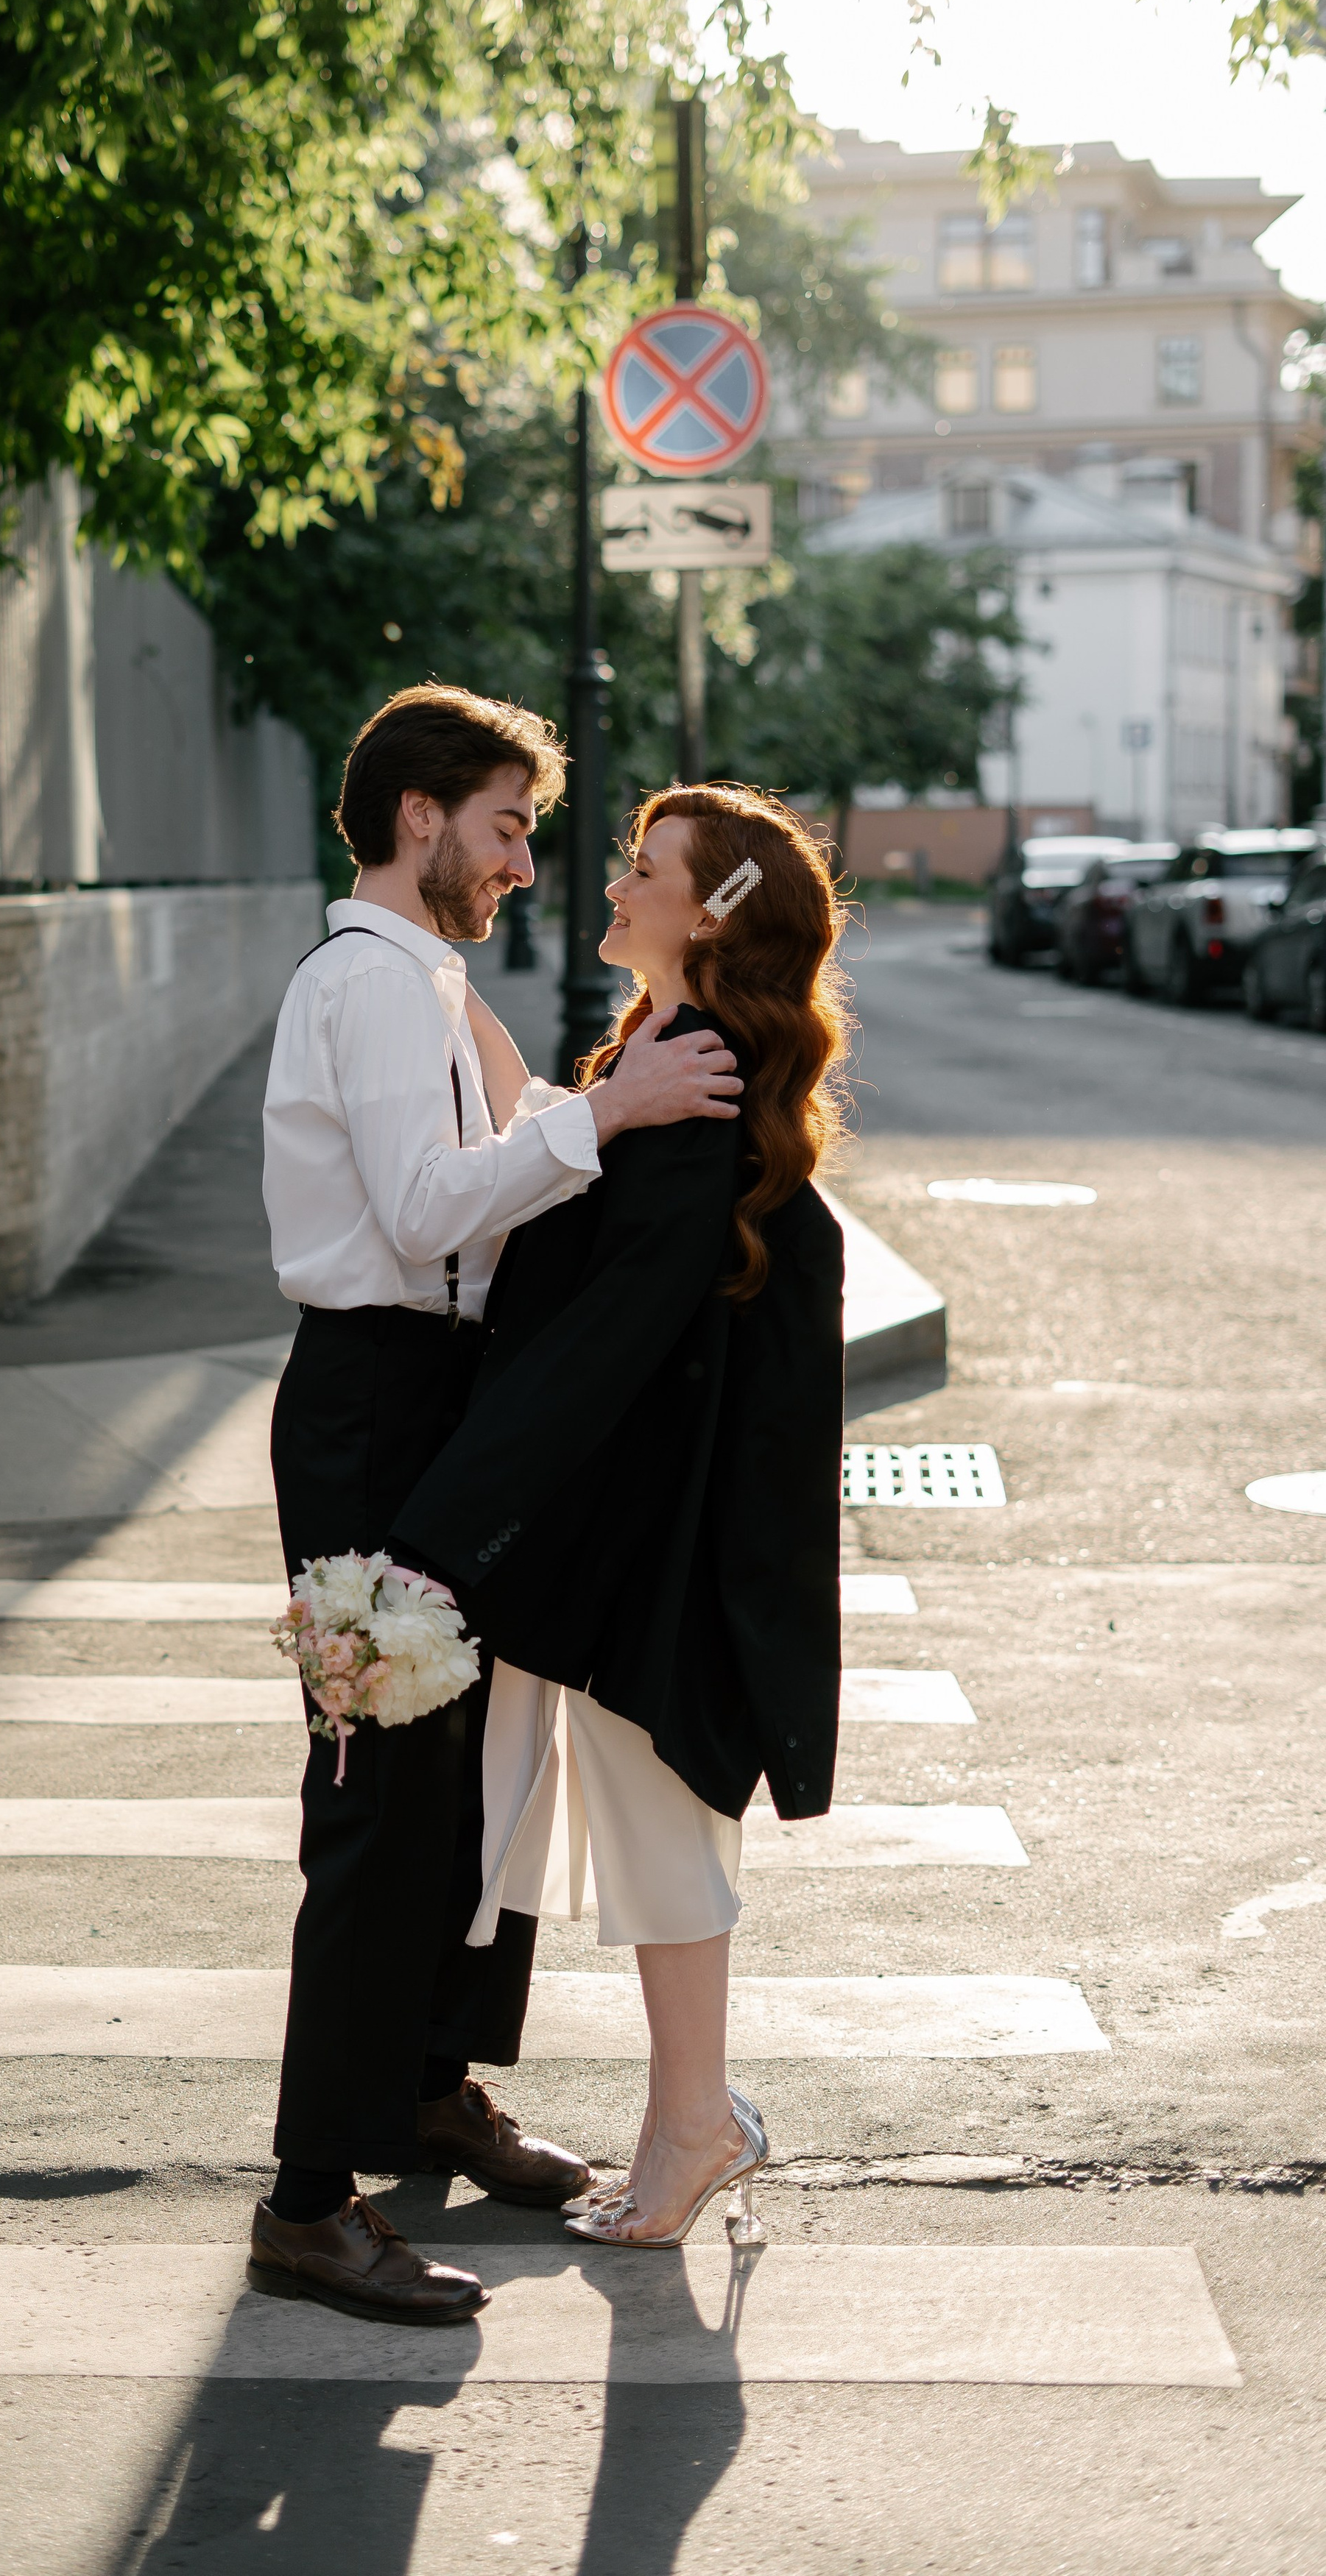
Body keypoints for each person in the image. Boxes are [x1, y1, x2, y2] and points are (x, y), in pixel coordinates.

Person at [248, 690, 747, 2327]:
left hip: (429, 1402)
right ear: (418, 822)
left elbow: (501, 1151)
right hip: (371, 1409)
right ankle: (311, 2204)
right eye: (509, 825)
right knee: (382, 1811)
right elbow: (417, 1212)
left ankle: (425, 2093)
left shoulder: (431, 988)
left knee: (465, 1792)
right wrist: (604, 1120)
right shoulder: (371, 988)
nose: (527, 861)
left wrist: (594, 1112)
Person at [389, 782, 850, 2251]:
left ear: (711, 917)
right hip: (623, 1525)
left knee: (660, 1831)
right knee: (646, 1822)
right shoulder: (655, 1052)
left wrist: (445, 1524)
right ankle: (683, 2120)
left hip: (650, 1538)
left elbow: (609, 1335)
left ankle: (697, 2121)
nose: (611, 884)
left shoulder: (697, 1072)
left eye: (643, 870)